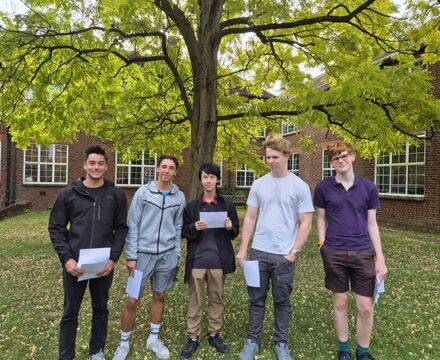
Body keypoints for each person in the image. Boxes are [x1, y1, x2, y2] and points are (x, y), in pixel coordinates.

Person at [236, 134, 314, 360]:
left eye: (275, 157)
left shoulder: (299, 186)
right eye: (267, 157)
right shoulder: (259, 184)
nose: (270, 161)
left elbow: (306, 222)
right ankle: (252, 341)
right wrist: (243, 248)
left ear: (286, 156)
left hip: (283, 256)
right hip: (259, 252)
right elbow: (250, 218)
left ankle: (281, 344)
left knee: (282, 301)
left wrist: (293, 253)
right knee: (256, 299)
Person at [48, 145, 128, 360]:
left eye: (100, 163)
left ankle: (97, 351)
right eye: (92, 163)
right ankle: (66, 355)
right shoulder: (69, 194)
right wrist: (66, 259)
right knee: (70, 312)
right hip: (76, 265)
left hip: (103, 265)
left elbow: (121, 228)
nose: (96, 167)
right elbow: (56, 227)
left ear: (106, 166)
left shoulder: (116, 195)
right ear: (84, 165)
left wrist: (113, 259)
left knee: (100, 309)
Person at [313, 142, 388, 360]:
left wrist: (380, 259)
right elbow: (320, 217)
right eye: (335, 158)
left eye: (344, 156)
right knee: (340, 302)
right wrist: (322, 244)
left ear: (353, 157)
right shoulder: (323, 187)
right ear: (332, 163)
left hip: (363, 252)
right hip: (334, 252)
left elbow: (372, 224)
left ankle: (363, 352)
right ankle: (344, 349)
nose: (340, 161)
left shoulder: (368, 188)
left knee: (365, 306)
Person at [112, 155, 185, 360]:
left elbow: (178, 227)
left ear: (175, 172)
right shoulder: (143, 193)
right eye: (164, 166)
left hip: (167, 256)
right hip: (142, 256)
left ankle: (153, 339)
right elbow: (132, 224)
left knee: (160, 296)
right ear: (157, 169)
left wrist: (176, 253)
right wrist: (132, 255)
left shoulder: (179, 197)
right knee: (132, 300)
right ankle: (123, 343)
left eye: (171, 168)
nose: (167, 171)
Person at [179, 163, 240, 359]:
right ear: (200, 180)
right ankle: (193, 337)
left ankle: (214, 334)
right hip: (197, 259)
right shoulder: (192, 207)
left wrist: (230, 226)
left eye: (212, 177)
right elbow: (183, 231)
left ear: (217, 180)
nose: (208, 180)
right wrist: (194, 227)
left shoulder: (227, 205)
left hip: (218, 260)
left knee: (217, 298)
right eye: (205, 177)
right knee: (195, 300)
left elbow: (234, 233)